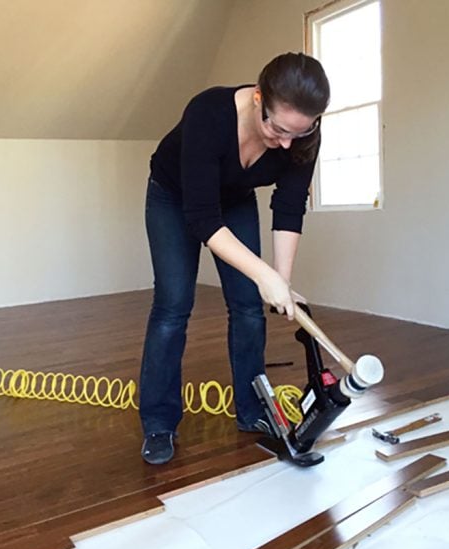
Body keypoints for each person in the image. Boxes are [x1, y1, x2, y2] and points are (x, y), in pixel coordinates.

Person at [139, 53, 330, 464]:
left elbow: (289, 205)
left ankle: (252, 409)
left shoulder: (303, 134)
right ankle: (158, 422)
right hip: (175, 199)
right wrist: (265, 275)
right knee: (173, 306)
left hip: (235, 199)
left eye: (299, 132)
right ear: (259, 97)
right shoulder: (208, 113)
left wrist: (281, 281)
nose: (287, 143)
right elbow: (203, 219)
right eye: (278, 129)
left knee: (248, 307)